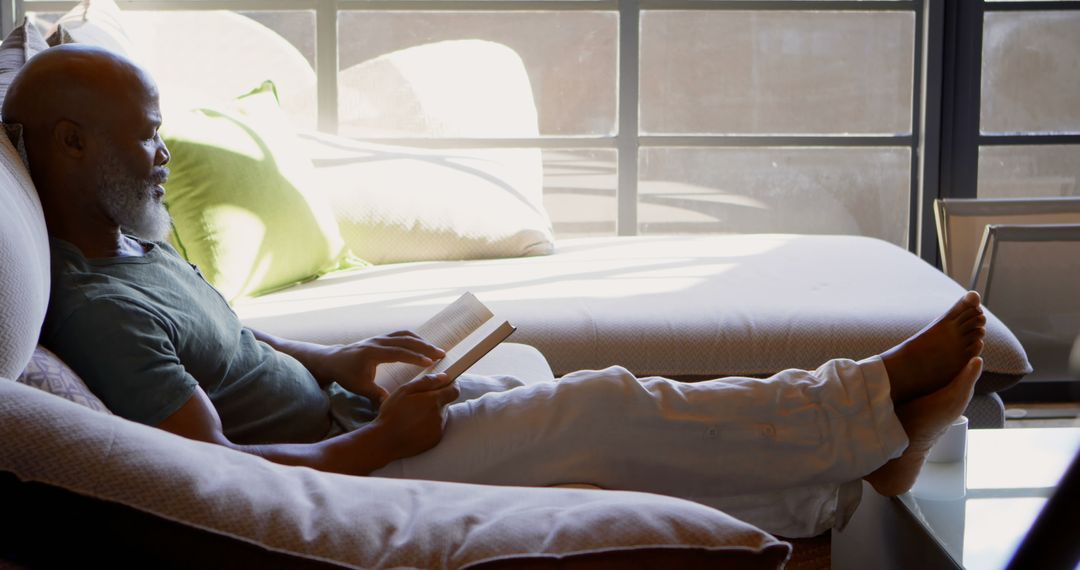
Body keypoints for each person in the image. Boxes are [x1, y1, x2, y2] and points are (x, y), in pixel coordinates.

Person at [4, 44, 987, 538]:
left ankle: (857, 470)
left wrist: (342, 358)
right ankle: (864, 398)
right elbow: (214, 484)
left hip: (357, 417)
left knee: (590, 417)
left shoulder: (136, 248)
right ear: (72, 143)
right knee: (601, 406)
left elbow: (229, 344)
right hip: (356, 471)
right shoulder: (98, 310)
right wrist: (386, 437)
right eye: (149, 132)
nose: (165, 153)